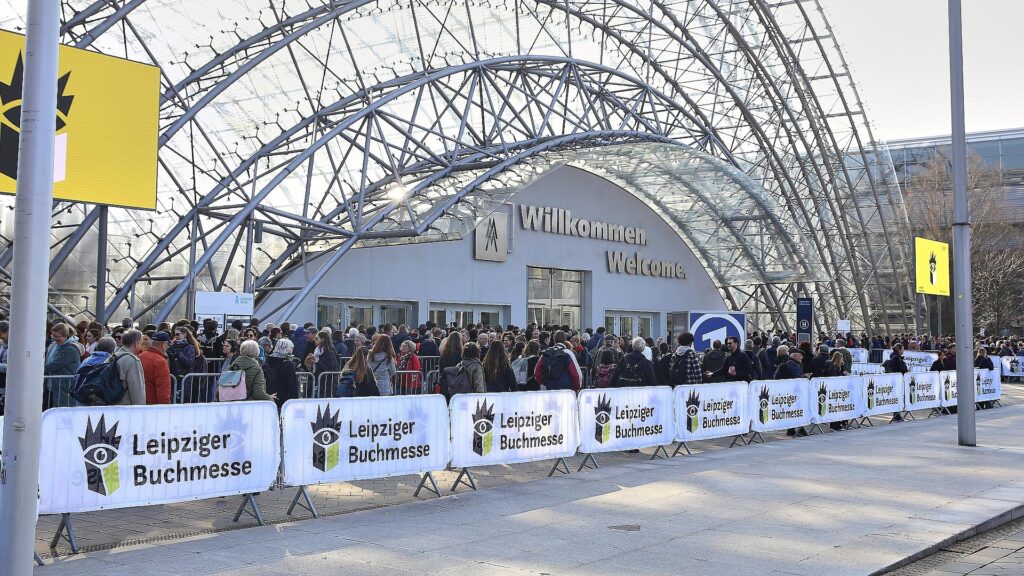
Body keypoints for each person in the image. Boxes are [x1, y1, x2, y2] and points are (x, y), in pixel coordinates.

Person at [44, 322, 82, 408]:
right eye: (53, 336)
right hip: (54, 386)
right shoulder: (55, 346)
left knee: (62, 411)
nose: (55, 339)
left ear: (65, 336)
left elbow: (53, 365)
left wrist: (34, 370)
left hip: (64, 388)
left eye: (57, 337)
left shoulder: (70, 350)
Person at [113, 330, 147, 405]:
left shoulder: (113, 357)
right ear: (136, 343)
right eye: (140, 342)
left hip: (111, 405)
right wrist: (140, 410)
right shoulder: (133, 360)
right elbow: (137, 391)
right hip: (125, 408)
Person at [265, 339, 300, 409]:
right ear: (287, 349)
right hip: (285, 399)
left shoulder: (268, 360)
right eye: (291, 348)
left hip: (270, 396)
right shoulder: (287, 365)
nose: (292, 350)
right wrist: (295, 400)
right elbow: (292, 385)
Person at [140, 331, 173, 404]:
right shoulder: (161, 362)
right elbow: (163, 389)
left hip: (140, 402)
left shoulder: (141, 356)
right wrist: (165, 408)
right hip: (153, 406)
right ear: (164, 344)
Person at [438, 332, 464, 397]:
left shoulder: (444, 353)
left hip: (445, 379)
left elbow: (441, 367)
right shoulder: (461, 353)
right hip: (457, 380)